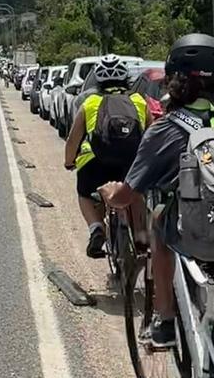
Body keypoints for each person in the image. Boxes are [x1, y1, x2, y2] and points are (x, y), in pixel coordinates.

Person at [101, 34, 214, 349]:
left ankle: (165, 319)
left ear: (173, 79)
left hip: (198, 230)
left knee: (158, 221)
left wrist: (110, 194)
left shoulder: (166, 128)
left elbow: (128, 194)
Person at [64, 56, 150, 258]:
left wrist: (69, 162)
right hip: (130, 162)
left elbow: (73, 139)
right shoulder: (139, 101)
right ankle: (141, 237)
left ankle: (96, 227)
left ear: (98, 81)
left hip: (96, 162)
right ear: (126, 78)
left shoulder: (90, 102)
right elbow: (152, 134)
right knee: (136, 193)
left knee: (84, 194)